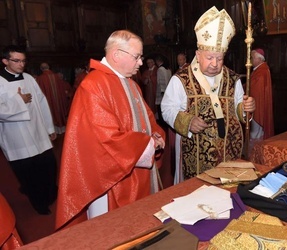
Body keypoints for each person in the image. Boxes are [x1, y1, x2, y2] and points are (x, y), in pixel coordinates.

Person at [55, 30, 166, 230]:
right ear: (116, 55)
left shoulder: (131, 84)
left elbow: (148, 119)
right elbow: (104, 140)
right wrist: (149, 144)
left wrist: (157, 134)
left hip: (137, 170)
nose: (141, 62)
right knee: (112, 230)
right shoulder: (94, 85)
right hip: (110, 179)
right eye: (137, 57)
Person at [161, 6, 256, 182]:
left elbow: (239, 109)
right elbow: (167, 109)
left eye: (219, 58)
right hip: (194, 151)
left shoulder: (232, 78)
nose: (215, 63)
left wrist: (246, 109)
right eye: (210, 58)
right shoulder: (181, 79)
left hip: (228, 152)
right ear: (198, 54)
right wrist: (188, 122)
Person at [0, 45, 58, 215]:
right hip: (16, 137)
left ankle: (50, 194)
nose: (21, 64)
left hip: (38, 132)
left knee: (49, 166)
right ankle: (39, 203)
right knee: (29, 174)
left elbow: (41, 102)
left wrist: (49, 127)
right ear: (5, 61)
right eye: (16, 61)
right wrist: (19, 101)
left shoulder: (29, 78)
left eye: (23, 61)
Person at [36, 62, 71, 134]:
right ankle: (61, 129)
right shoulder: (57, 77)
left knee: (50, 112)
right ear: (49, 67)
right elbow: (63, 89)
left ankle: (51, 131)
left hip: (49, 102)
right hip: (59, 101)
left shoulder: (40, 78)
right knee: (59, 112)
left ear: (41, 69)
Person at [250, 48, 274, 140]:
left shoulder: (261, 71)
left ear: (259, 59)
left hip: (258, 104)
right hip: (257, 101)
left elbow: (255, 89)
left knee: (256, 133)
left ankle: (255, 151)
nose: (251, 60)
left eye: (253, 58)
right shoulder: (260, 69)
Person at [155, 55, 171, 122]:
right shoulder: (168, 69)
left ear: (158, 61)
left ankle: (162, 122)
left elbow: (160, 81)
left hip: (162, 91)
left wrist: (162, 91)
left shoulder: (160, 69)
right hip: (168, 90)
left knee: (161, 107)